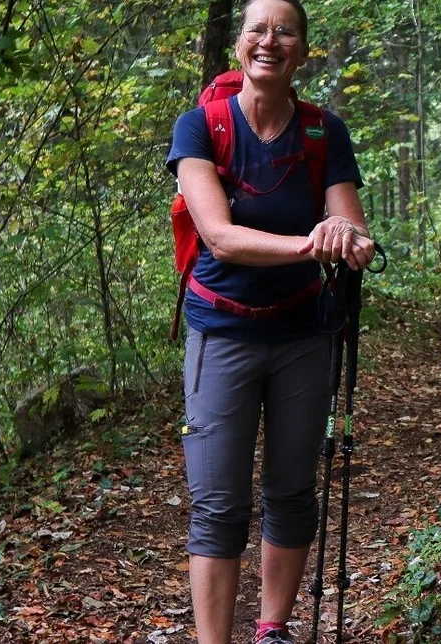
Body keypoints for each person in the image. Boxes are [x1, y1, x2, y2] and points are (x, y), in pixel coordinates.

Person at [165, 0, 374, 642]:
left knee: (291, 490)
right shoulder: (200, 128)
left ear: (303, 51)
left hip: (303, 334)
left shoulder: (322, 133)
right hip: (220, 331)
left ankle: (272, 631)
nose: (269, 41)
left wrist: (348, 238)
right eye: (257, 28)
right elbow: (221, 239)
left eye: (286, 31)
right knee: (218, 505)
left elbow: (354, 230)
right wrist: (315, 243)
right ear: (239, 47)